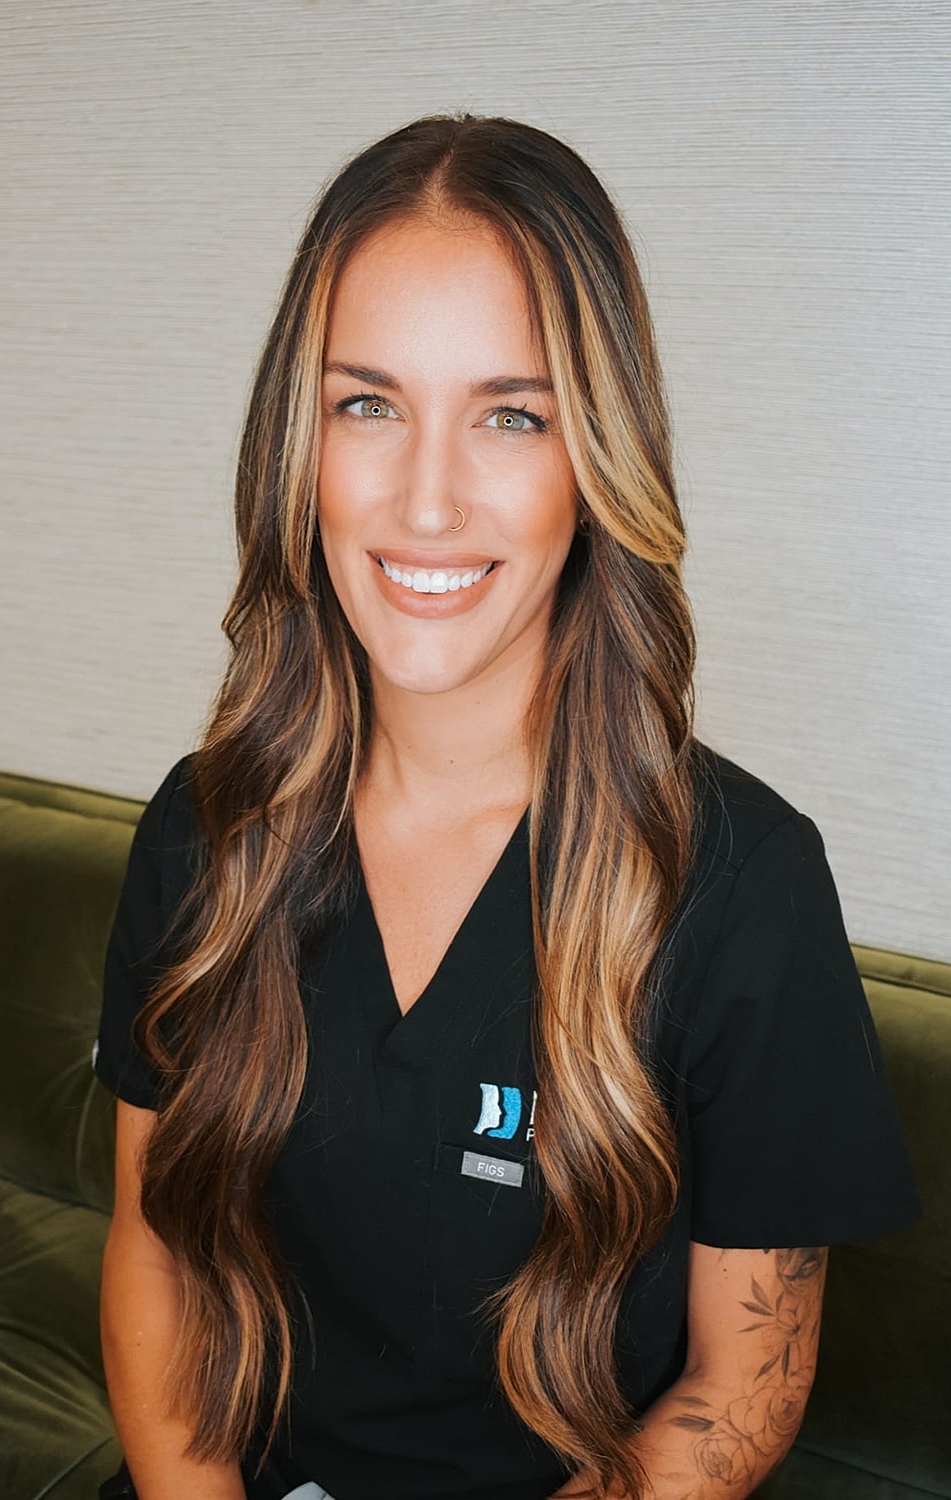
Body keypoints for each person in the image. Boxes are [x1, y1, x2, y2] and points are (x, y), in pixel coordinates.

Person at [94, 114, 920, 1500]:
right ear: (297, 444)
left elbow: (743, 1381)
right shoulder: (202, 829)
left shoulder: (744, 886)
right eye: (367, 404)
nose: (425, 501)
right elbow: (151, 1250)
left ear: (595, 458)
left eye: (509, 415)